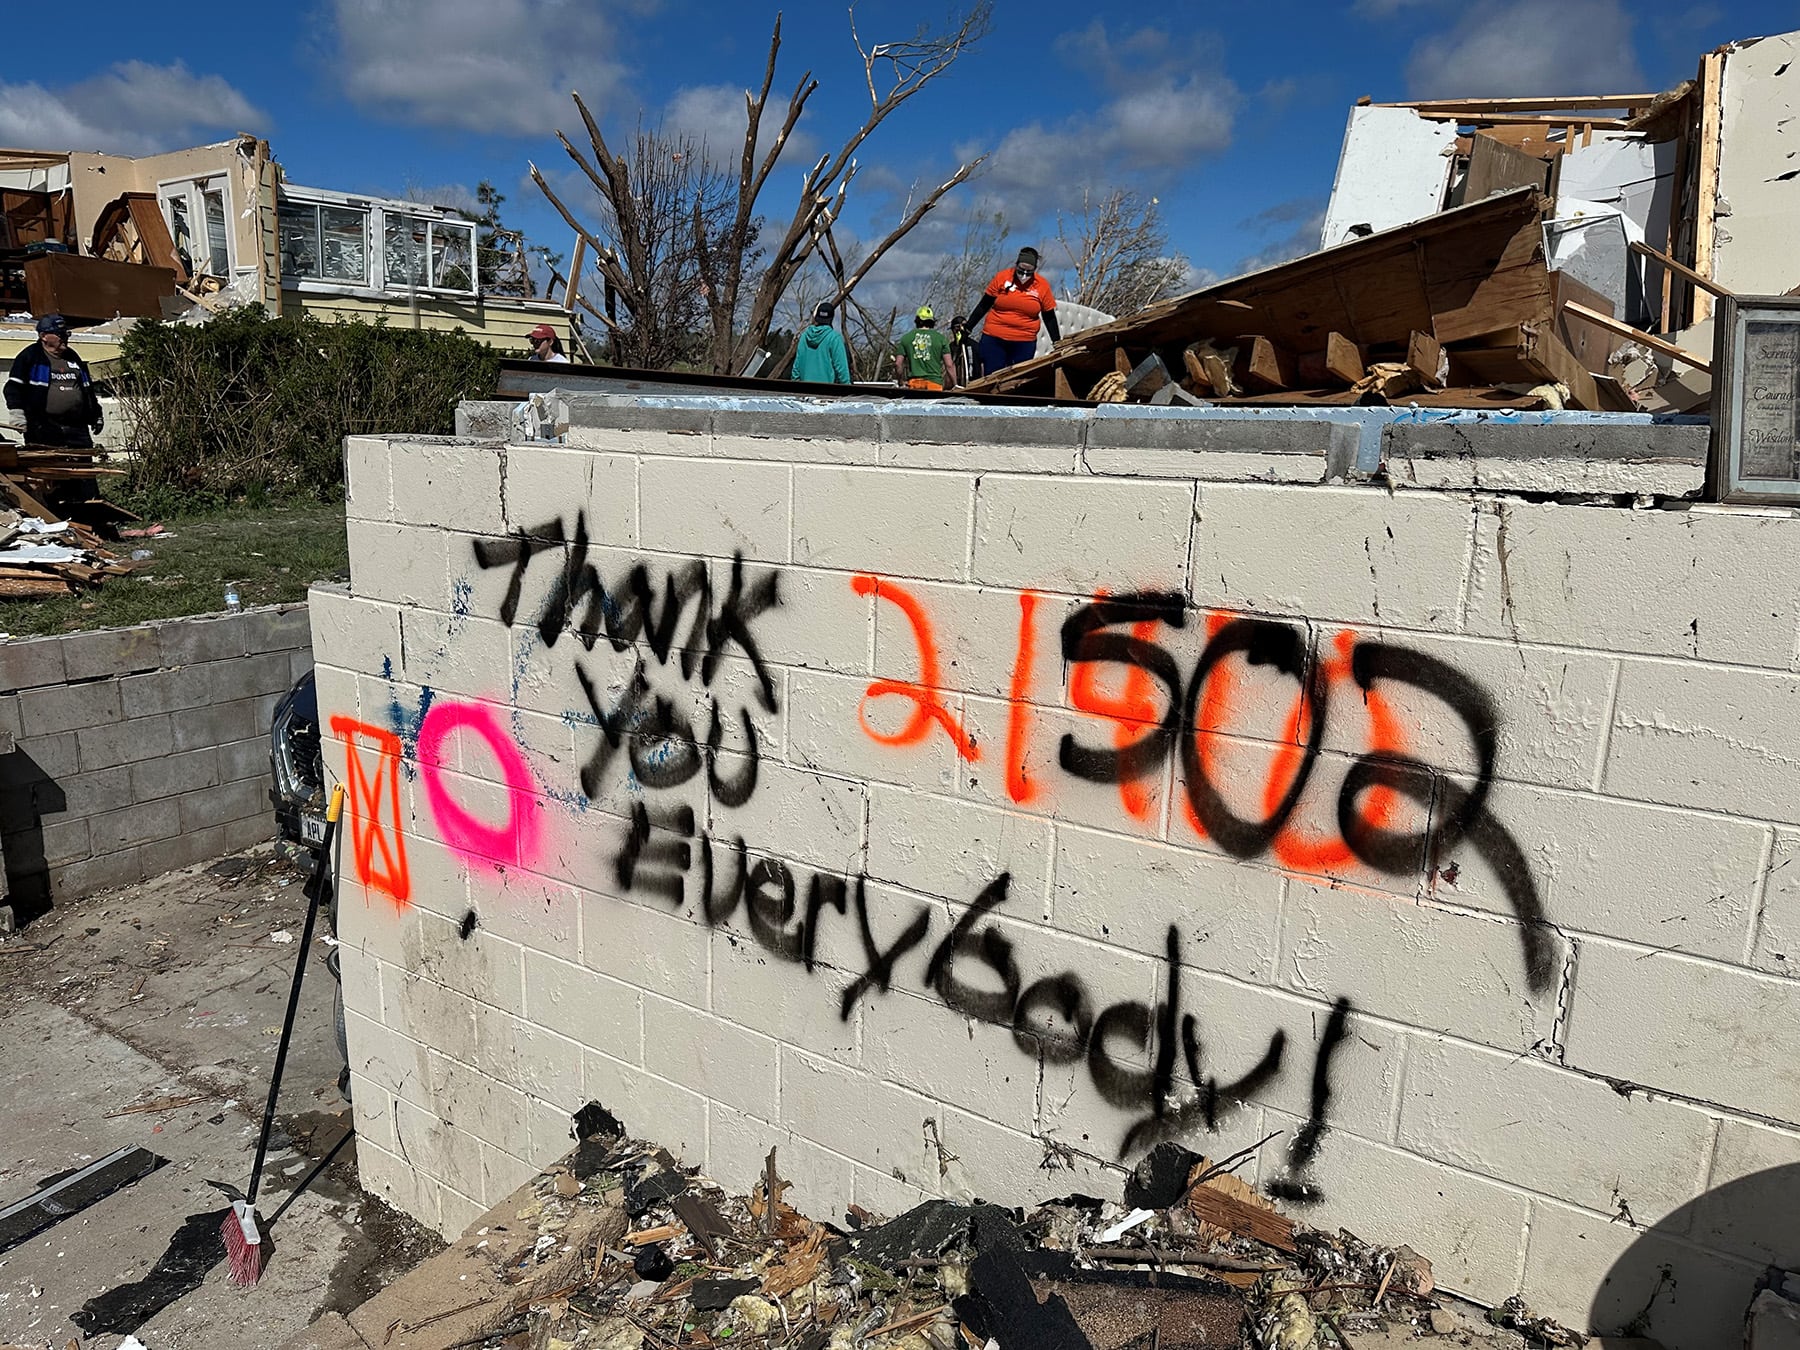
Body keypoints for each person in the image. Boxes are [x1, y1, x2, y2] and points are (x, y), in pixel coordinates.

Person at [4, 314, 103, 448]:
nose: (65, 338)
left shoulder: (73, 357)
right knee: (47, 467)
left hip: (76, 428)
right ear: (44, 336)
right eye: (60, 335)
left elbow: (87, 390)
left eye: (67, 334)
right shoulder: (30, 357)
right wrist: (17, 414)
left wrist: (96, 415)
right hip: (43, 427)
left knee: (81, 466)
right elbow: (13, 388)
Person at [958, 247, 1059, 376]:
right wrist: (968, 327)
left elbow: (1049, 316)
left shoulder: (1042, 285)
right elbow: (984, 305)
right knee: (993, 377)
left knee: (1018, 379)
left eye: (1029, 272)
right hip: (994, 337)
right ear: (1016, 265)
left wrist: (1057, 342)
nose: (1024, 275)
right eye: (1021, 270)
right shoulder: (1002, 277)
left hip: (1024, 341)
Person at [891, 305, 958, 391]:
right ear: (931, 321)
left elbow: (898, 364)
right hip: (934, 384)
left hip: (913, 385)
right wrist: (955, 384)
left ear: (917, 320)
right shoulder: (941, 339)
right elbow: (949, 365)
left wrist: (900, 382)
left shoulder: (906, 338)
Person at [791, 302, 851, 384]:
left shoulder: (804, 336)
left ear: (816, 317)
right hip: (825, 393)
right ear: (831, 318)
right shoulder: (834, 338)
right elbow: (842, 370)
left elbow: (796, 368)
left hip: (804, 392)